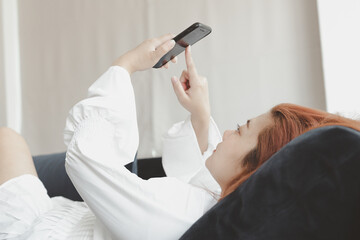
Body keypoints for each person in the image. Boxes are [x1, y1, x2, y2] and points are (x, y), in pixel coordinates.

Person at [1, 33, 359, 240]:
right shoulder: (206, 211)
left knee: (7, 139)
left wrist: (124, 66)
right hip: (59, 218)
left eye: (241, 128)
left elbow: (84, 159)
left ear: (253, 172)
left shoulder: (173, 213)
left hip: (34, 230)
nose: (230, 130)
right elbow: (205, 179)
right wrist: (200, 115)